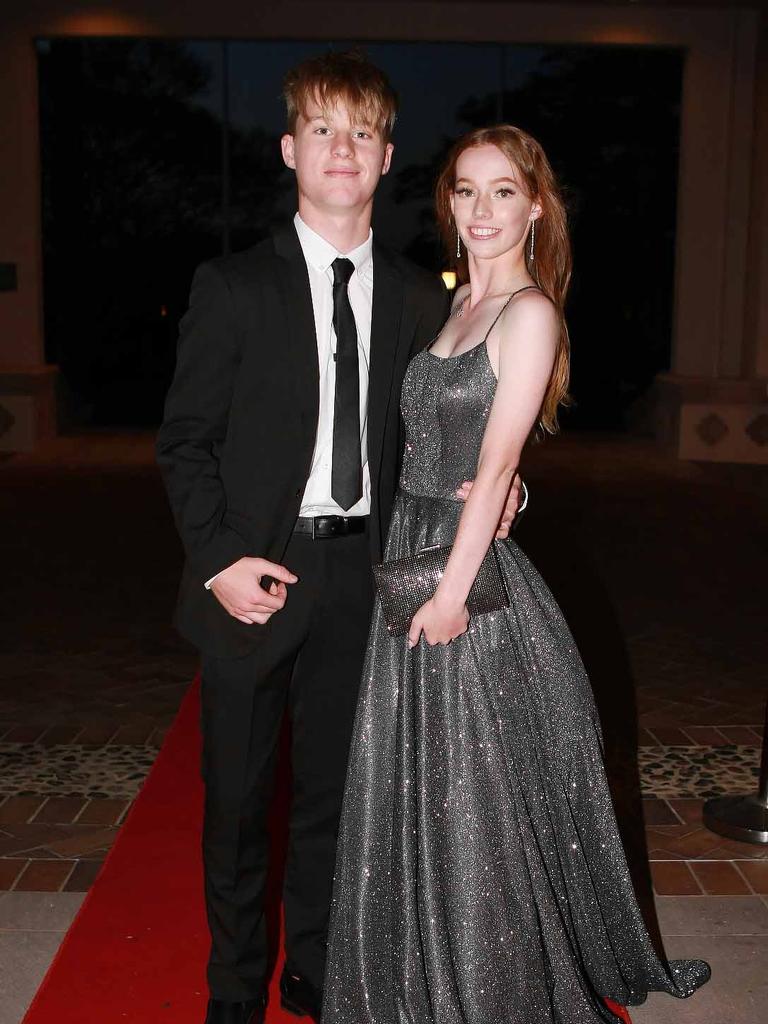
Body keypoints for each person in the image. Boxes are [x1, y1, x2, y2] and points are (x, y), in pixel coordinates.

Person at [157, 55, 524, 1024]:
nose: (342, 149)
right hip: (251, 574)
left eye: (361, 132)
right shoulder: (231, 285)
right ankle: (233, 989)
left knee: (334, 797)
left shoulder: (414, 297)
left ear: (388, 156)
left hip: (366, 572)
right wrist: (219, 560)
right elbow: (184, 440)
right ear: (289, 149)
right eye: (322, 129)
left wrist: (499, 479)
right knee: (237, 800)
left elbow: (440, 424)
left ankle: (314, 967)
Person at [322, 125, 711, 1024]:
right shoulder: (455, 305)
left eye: (504, 192)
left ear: (536, 206)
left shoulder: (530, 311)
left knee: (473, 796)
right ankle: (418, 966)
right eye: (466, 190)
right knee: (416, 781)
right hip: (415, 547)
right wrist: (485, 511)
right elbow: (454, 453)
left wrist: (456, 591)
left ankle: (483, 986)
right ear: (448, 204)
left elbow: (495, 466)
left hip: (460, 573)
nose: (483, 209)